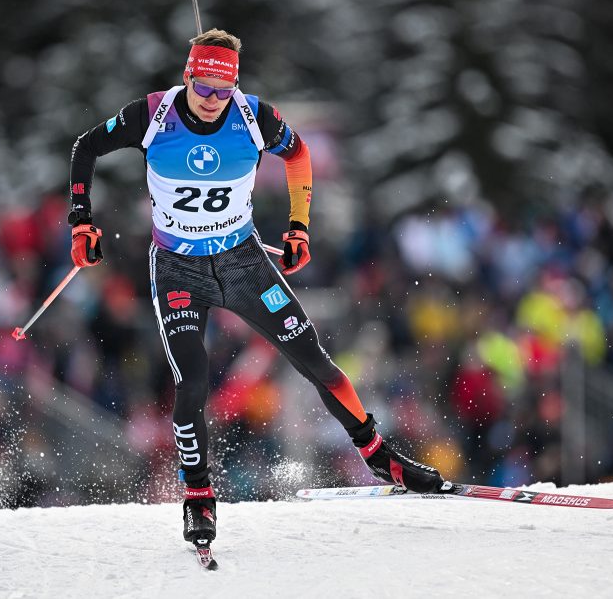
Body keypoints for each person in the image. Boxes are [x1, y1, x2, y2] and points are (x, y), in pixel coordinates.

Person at [67, 29, 449, 547]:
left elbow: (298, 155)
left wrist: (298, 226)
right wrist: (81, 221)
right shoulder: (154, 115)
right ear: (188, 76)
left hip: (244, 262)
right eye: (203, 89)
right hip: (178, 268)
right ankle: (198, 496)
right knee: (193, 381)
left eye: (223, 92)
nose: (212, 101)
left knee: (316, 362)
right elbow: (85, 148)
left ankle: (380, 458)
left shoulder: (253, 116)